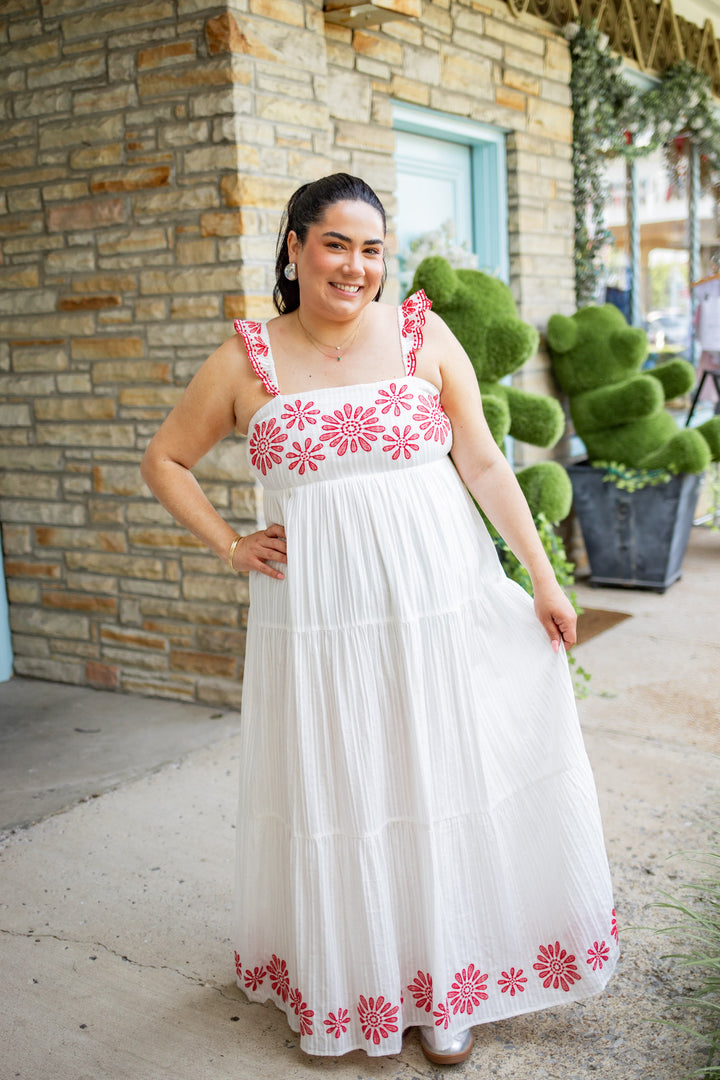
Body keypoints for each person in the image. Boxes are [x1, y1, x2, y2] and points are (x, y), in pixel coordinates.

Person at [141, 172, 617, 1065]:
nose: (355, 267)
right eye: (335, 244)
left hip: (438, 600)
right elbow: (165, 459)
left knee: (439, 775)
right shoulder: (247, 359)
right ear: (294, 246)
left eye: (372, 249)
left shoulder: (420, 333)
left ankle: (448, 988)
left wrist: (546, 580)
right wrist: (230, 545)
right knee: (348, 784)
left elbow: (482, 462)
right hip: (317, 621)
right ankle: (356, 979)